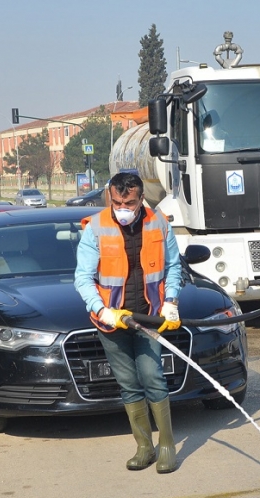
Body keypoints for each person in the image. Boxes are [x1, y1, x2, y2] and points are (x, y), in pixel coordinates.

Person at [74, 172, 183, 473]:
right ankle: (144, 446)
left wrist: (171, 301)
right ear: (110, 196)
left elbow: (173, 266)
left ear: (140, 199)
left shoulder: (159, 223)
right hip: (112, 321)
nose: (122, 207)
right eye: (117, 201)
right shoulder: (95, 228)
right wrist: (101, 308)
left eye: (129, 202)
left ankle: (167, 446)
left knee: (153, 377)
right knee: (128, 384)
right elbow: (83, 277)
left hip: (149, 316)